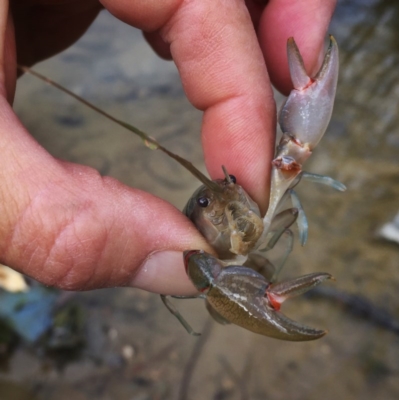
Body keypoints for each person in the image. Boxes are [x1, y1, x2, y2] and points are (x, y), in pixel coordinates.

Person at [0, 0, 336, 295]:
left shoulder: (243, 195)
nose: (229, 198)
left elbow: (295, 155)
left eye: (230, 185)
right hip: (222, 274)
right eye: (206, 203)